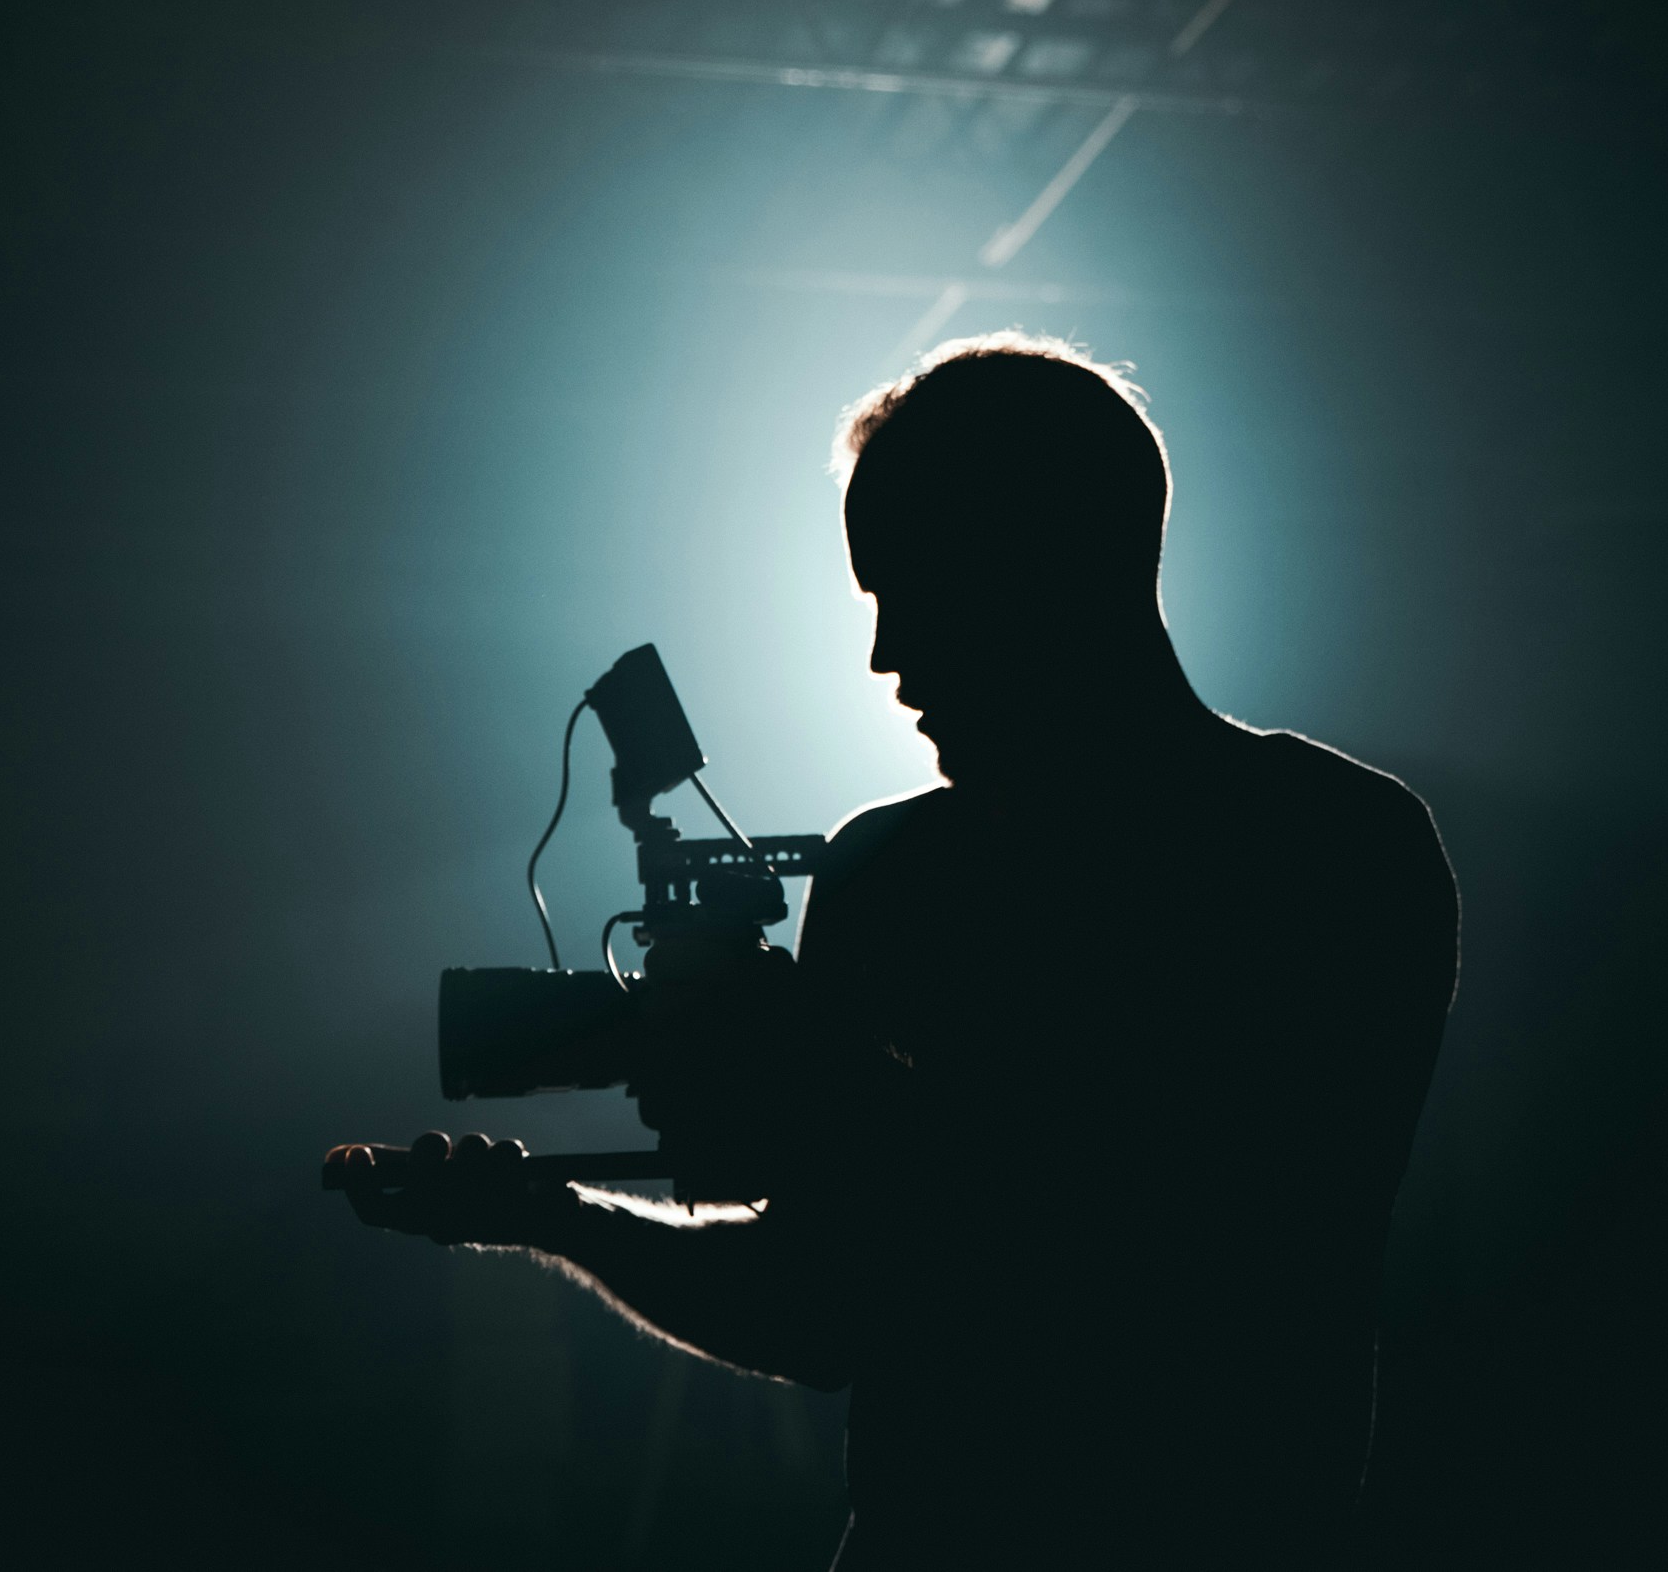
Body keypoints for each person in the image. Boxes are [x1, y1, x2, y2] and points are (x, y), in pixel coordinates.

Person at [335, 336, 1459, 1568]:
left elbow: (1193, 1252)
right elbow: (821, 1302)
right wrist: (550, 1214)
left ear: (1049, 560)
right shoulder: (895, 871)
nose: (884, 658)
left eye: (912, 587)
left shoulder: (1330, 854)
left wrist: (825, 1071)